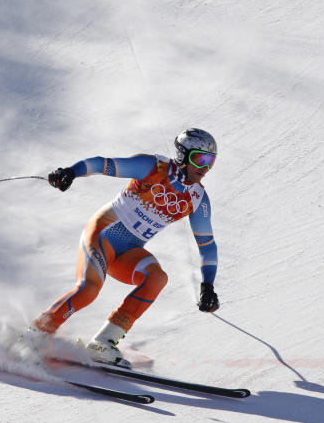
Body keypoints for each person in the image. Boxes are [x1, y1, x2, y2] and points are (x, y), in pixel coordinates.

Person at [32, 128, 220, 368]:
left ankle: (103, 342)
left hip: (129, 251)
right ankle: (35, 333)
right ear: (183, 156)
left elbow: (207, 245)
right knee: (88, 290)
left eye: (210, 161)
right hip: (103, 234)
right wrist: (72, 171)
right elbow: (103, 164)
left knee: (157, 278)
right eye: (200, 159)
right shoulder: (152, 167)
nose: (205, 167)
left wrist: (208, 285)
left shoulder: (198, 199)